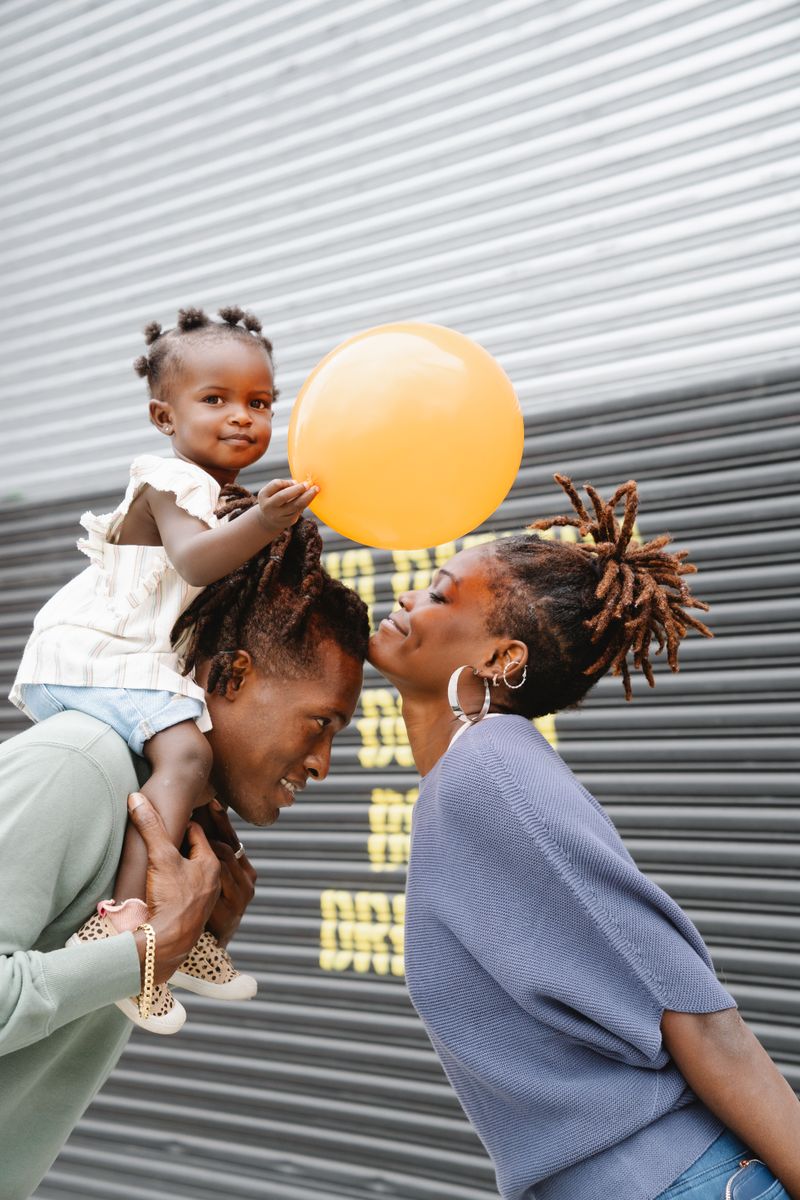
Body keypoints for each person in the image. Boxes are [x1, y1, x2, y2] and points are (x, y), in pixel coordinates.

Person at [369, 474, 800, 1200]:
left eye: (440, 593)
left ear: (504, 659)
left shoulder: (494, 768)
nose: (409, 598)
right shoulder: (470, 780)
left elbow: (694, 1011)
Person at [0, 511, 369, 1200]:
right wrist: (146, 953)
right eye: (320, 724)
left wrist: (191, 935)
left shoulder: (168, 819)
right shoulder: (78, 765)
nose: (322, 763)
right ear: (231, 677)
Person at [9, 304, 319, 1032]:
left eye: (259, 403)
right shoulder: (167, 479)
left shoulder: (213, 493)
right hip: (94, 650)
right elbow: (193, 560)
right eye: (215, 400)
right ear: (162, 414)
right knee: (185, 754)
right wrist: (266, 524)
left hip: (125, 657)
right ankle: (120, 931)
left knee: (201, 798)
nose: (242, 417)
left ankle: (191, 935)